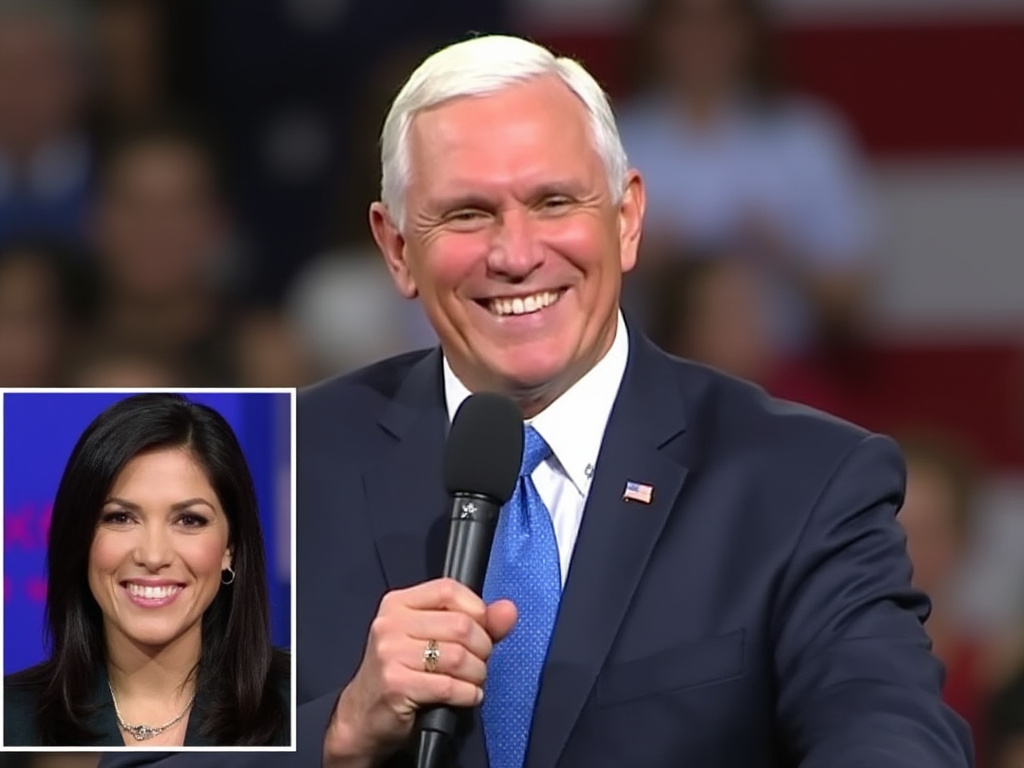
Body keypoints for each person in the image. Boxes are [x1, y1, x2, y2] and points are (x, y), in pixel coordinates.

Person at [99, 33, 971, 768]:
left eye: (554, 201)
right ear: (396, 249)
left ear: (627, 220)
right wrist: (337, 728)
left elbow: (890, 737)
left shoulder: (803, 480)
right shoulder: (265, 472)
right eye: (468, 215)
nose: (516, 255)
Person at [4, 393, 290, 746]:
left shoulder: (302, 712)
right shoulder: (12, 722)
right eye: (120, 518)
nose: (153, 556)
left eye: (189, 520)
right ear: (80, 539)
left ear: (229, 549)